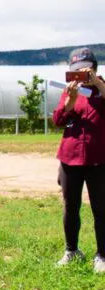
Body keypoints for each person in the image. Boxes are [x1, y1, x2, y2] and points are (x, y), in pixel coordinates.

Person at [52, 47, 105, 272]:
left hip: (98, 157)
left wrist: (100, 86)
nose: (80, 75)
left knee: (101, 208)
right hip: (70, 157)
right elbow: (58, 120)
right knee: (70, 206)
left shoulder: (102, 89)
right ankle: (71, 250)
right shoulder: (71, 91)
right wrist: (70, 101)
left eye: (85, 71)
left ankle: (102, 255)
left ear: (94, 69)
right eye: (75, 71)